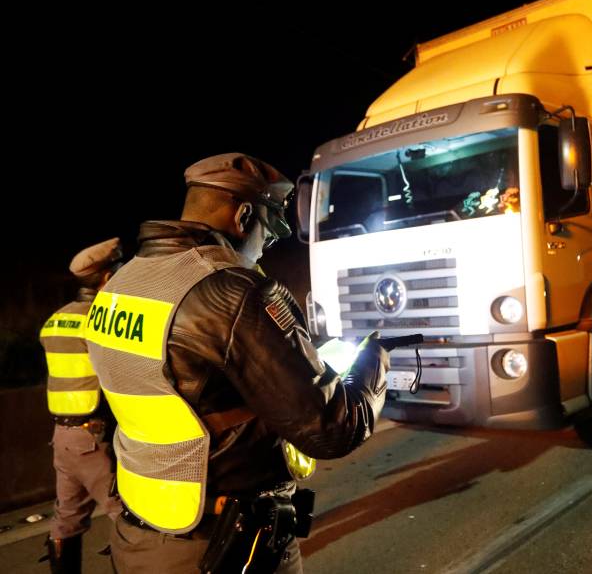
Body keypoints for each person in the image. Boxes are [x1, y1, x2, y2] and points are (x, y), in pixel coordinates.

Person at [84, 153, 389, 573]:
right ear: (244, 215)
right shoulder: (233, 290)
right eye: (269, 230)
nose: (267, 245)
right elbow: (332, 429)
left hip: (138, 531)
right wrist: (374, 360)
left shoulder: (123, 283)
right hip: (221, 545)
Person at [39, 238, 125, 573]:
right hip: (95, 436)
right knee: (128, 516)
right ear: (106, 277)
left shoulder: (56, 319)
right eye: (117, 270)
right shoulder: (102, 321)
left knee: (66, 519)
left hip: (63, 437)